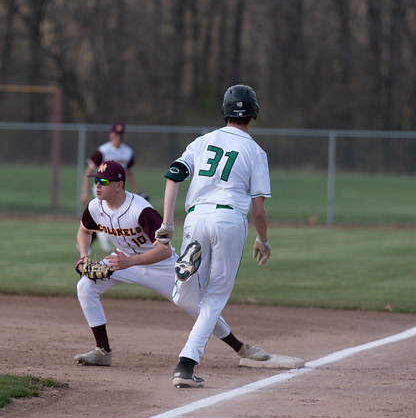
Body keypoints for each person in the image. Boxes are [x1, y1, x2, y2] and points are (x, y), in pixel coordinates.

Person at [74, 160, 269, 369]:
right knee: (85, 286)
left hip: (160, 264)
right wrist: (84, 257)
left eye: (104, 181)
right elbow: (84, 231)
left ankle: (240, 347)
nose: (98, 185)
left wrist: (130, 262)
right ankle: (102, 352)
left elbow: (164, 249)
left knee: (195, 306)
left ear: (119, 185)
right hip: (122, 260)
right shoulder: (95, 207)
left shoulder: (140, 210)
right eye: (96, 180)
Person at [156, 84, 272, 388]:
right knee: (215, 296)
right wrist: (263, 240)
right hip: (230, 219)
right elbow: (258, 209)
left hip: (196, 216)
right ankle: (186, 363)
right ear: (253, 114)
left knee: (185, 297)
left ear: (224, 112)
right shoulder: (255, 151)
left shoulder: (202, 141)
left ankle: (187, 275)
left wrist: (167, 223)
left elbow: (173, 176)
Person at [81, 122, 138, 204]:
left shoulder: (128, 152)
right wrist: (85, 192)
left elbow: (130, 173)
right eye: (116, 134)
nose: (118, 137)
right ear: (111, 134)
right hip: (102, 186)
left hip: (118, 188)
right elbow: (89, 171)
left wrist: (136, 192)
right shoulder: (102, 151)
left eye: (120, 135)